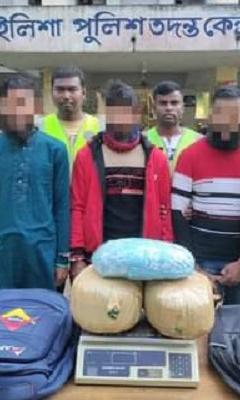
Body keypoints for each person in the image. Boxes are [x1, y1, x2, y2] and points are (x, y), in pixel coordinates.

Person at [70, 79, 173, 279]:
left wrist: (165, 251)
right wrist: (77, 256)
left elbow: (164, 209)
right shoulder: (87, 155)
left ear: (136, 114)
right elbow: (77, 207)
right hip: (98, 258)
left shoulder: (155, 158)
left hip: (143, 259)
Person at [0, 75, 70, 291]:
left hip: (42, 252)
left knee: (41, 311)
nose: (17, 110)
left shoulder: (54, 149)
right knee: (0, 312)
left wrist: (62, 258)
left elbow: (62, 207)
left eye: (23, 103)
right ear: (1, 106)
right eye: (10, 103)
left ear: (34, 106)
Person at [172, 86, 240, 305]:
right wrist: (194, 266)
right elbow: (177, 213)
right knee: (199, 323)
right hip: (201, 259)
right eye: (222, 115)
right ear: (211, 117)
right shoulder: (190, 155)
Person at [42, 65, 100, 165]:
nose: (66, 96)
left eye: (72, 89)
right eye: (60, 90)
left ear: (83, 93)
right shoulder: (40, 128)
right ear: (51, 93)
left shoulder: (100, 128)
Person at [145, 81, 200, 172]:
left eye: (174, 103)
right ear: (154, 108)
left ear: (182, 108)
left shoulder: (198, 141)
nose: (169, 108)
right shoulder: (143, 140)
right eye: (163, 103)